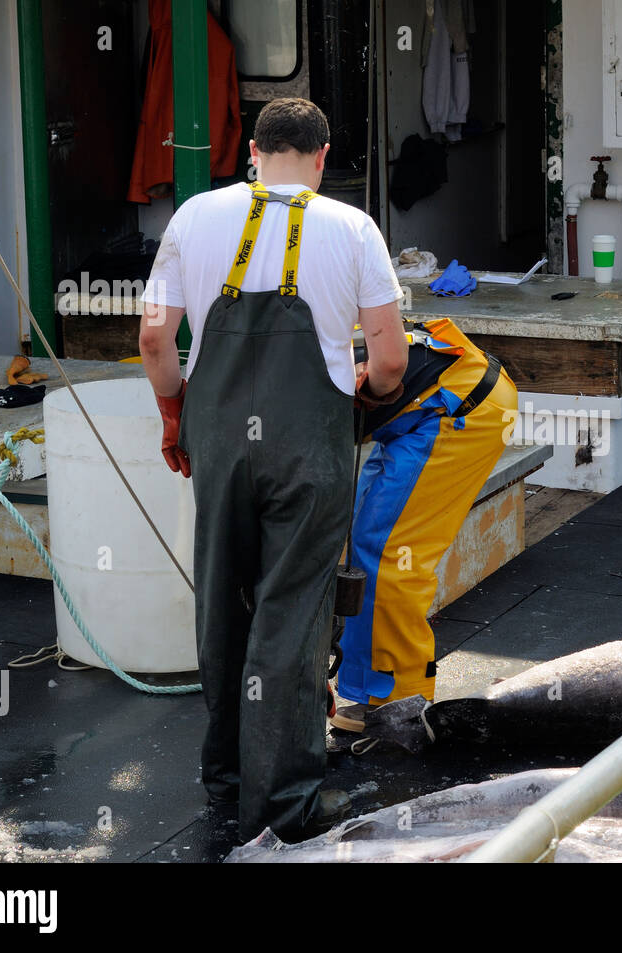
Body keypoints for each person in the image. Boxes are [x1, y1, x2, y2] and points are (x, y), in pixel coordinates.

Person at [139, 97, 407, 843]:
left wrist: (174, 413)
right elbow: (388, 360)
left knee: (224, 603)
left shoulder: (195, 216)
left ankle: (226, 776)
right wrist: (370, 390)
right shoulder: (352, 228)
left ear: (251, 152)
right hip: (307, 452)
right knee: (291, 614)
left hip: (219, 444)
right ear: (322, 161)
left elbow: (155, 338)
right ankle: (283, 804)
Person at [327, 316, 517, 731]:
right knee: (363, 544)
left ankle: (399, 701)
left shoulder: (288, 389)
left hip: (460, 405)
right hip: (423, 405)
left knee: (391, 554)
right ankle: (363, 690)